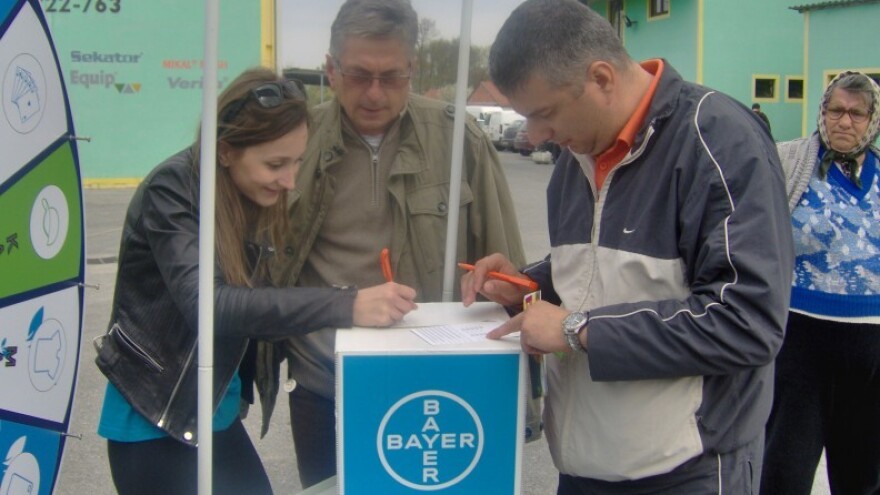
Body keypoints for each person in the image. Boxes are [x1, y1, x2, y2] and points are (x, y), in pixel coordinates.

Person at [461, 0, 794, 493]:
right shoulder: (576, 152)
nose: (534, 136)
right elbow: (600, 268)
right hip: (582, 462)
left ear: (601, 78)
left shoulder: (719, 142)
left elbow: (748, 322)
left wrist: (578, 329)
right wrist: (528, 282)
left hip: (687, 471)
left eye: (543, 114)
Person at [93, 67, 417, 495]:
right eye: (276, 164)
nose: (290, 180)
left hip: (214, 410)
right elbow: (211, 305)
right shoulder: (171, 189)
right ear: (225, 151)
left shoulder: (248, 190)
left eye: (298, 161)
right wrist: (346, 304)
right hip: (157, 415)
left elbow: (261, 298)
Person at [254, 0, 526, 488]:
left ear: (413, 70)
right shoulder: (296, 142)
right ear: (330, 70)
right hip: (325, 390)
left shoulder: (458, 138)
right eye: (359, 75)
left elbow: (508, 268)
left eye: (392, 76)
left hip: (440, 389)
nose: (375, 94)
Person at [761, 71, 880, 495]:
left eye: (856, 114)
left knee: (863, 474)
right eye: (835, 111)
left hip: (871, 351)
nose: (844, 122)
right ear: (821, 112)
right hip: (801, 343)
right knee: (785, 468)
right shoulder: (789, 161)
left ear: (872, 119)